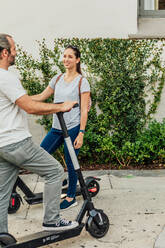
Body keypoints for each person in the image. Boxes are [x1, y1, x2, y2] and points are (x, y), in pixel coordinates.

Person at [0, 33, 79, 235]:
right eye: (14, 49)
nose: (16, 52)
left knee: (2, 192)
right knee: (54, 171)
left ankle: (1, 234)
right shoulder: (6, 77)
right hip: (15, 142)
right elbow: (30, 107)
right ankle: (52, 221)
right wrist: (60, 107)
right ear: (5, 52)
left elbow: (22, 100)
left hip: (2, 145)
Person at [31, 45, 90, 210]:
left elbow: (84, 109)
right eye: (64, 56)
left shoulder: (82, 82)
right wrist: (22, 99)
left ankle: (71, 197)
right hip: (57, 127)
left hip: (72, 127)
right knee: (40, 154)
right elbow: (42, 96)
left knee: (71, 163)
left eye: (70, 56)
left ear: (77, 60)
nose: (66, 59)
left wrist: (81, 133)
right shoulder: (57, 79)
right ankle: (61, 179)